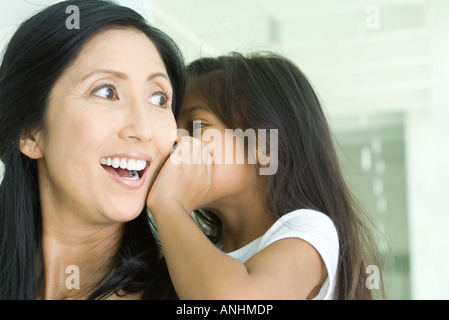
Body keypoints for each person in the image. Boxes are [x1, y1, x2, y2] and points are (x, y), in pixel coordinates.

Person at [147, 52, 385, 299]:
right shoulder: (193, 253)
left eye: (198, 125)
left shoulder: (308, 232)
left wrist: (169, 205)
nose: (176, 139)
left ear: (264, 145)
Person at [0, 0, 185, 299]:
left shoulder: (196, 293)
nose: (143, 129)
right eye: (106, 91)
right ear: (28, 133)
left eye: (159, 99)